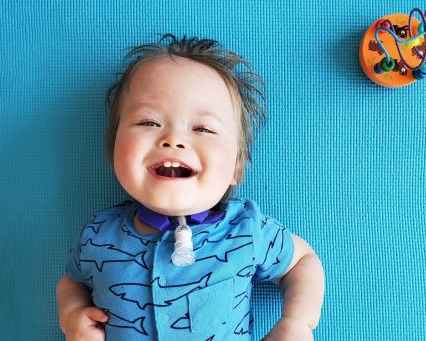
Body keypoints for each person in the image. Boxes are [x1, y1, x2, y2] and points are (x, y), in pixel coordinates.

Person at [56, 34, 325, 341]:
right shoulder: (99, 235)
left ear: (235, 167)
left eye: (203, 129)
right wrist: (71, 314)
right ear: (114, 147)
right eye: (149, 122)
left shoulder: (245, 231)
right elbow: (72, 280)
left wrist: (297, 322)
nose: (173, 140)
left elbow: (303, 262)